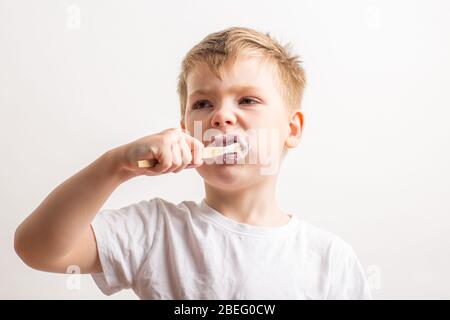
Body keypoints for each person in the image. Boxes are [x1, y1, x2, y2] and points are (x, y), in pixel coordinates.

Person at [14, 27, 372, 299]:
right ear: (186, 131)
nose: (221, 117)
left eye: (247, 100)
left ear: (291, 130)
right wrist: (115, 166)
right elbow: (38, 248)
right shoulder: (155, 231)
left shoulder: (330, 260)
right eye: (203, 104)